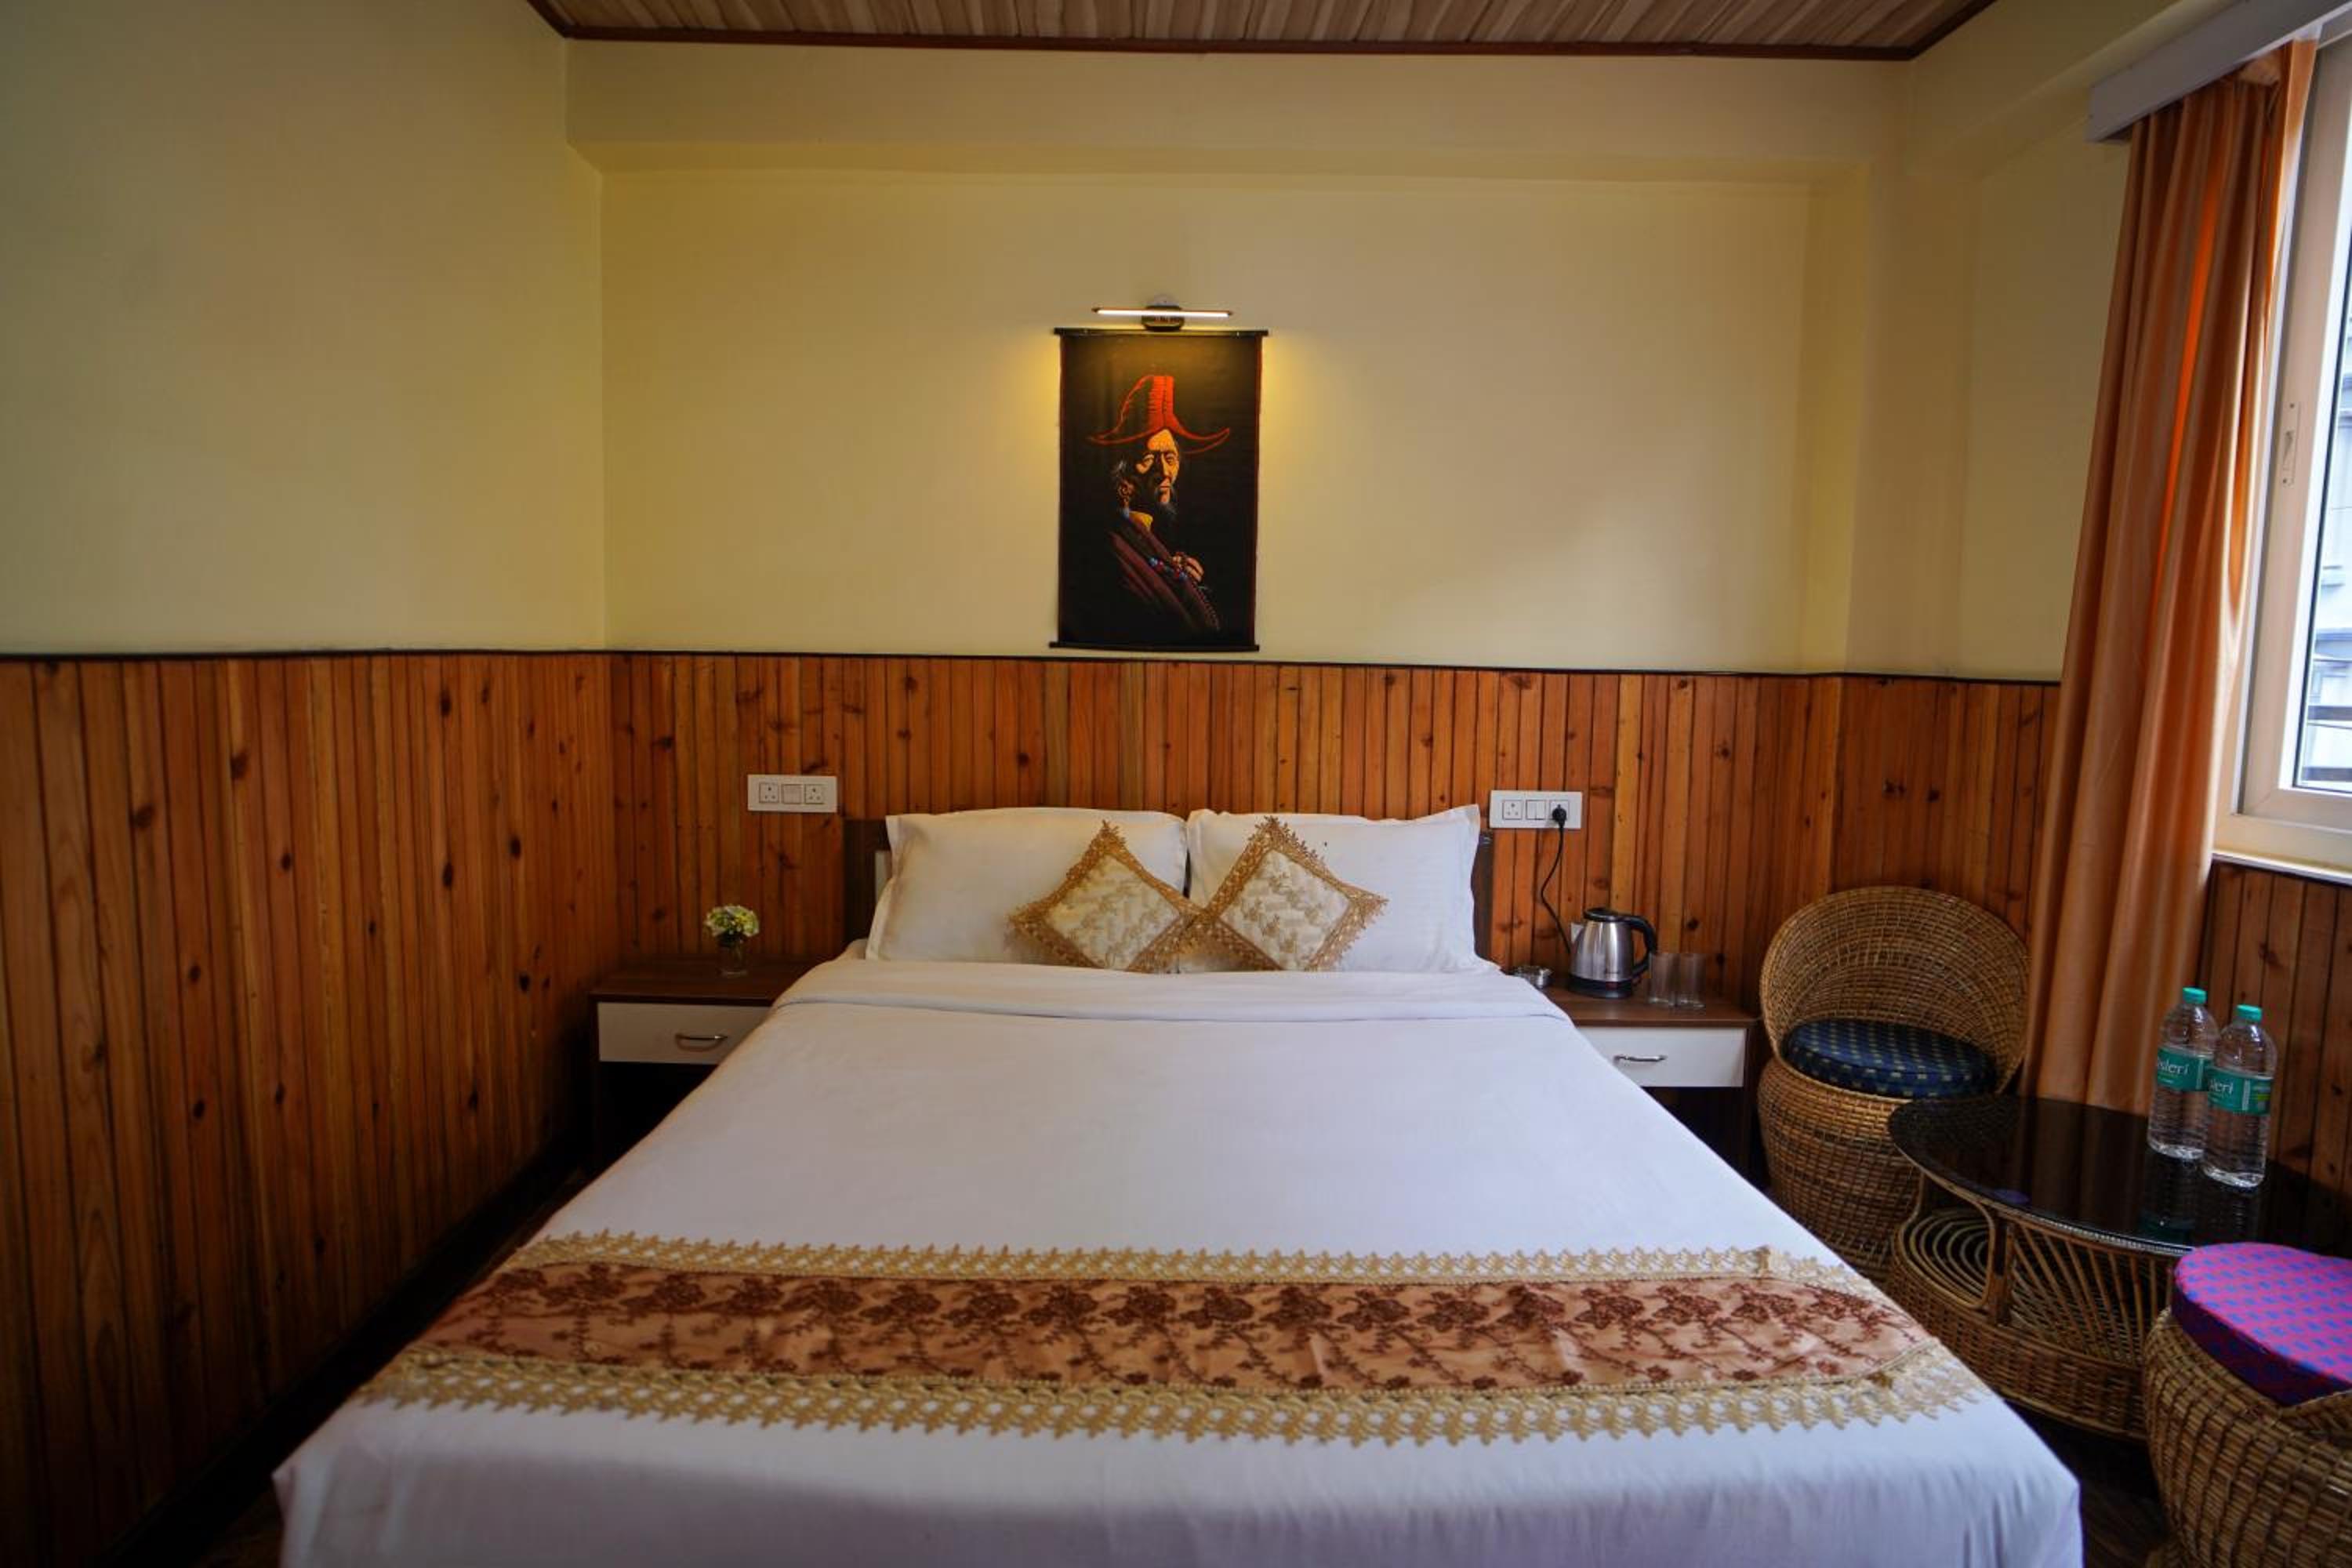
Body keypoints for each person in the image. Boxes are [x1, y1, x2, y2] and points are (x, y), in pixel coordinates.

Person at [1073, 374, 1227, 640]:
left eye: (1170, 458)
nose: (1164, 472)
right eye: (1148, 459)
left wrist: (1182, 578)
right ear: (1123, 479)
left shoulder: (1147, 540)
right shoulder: (1108, 547)